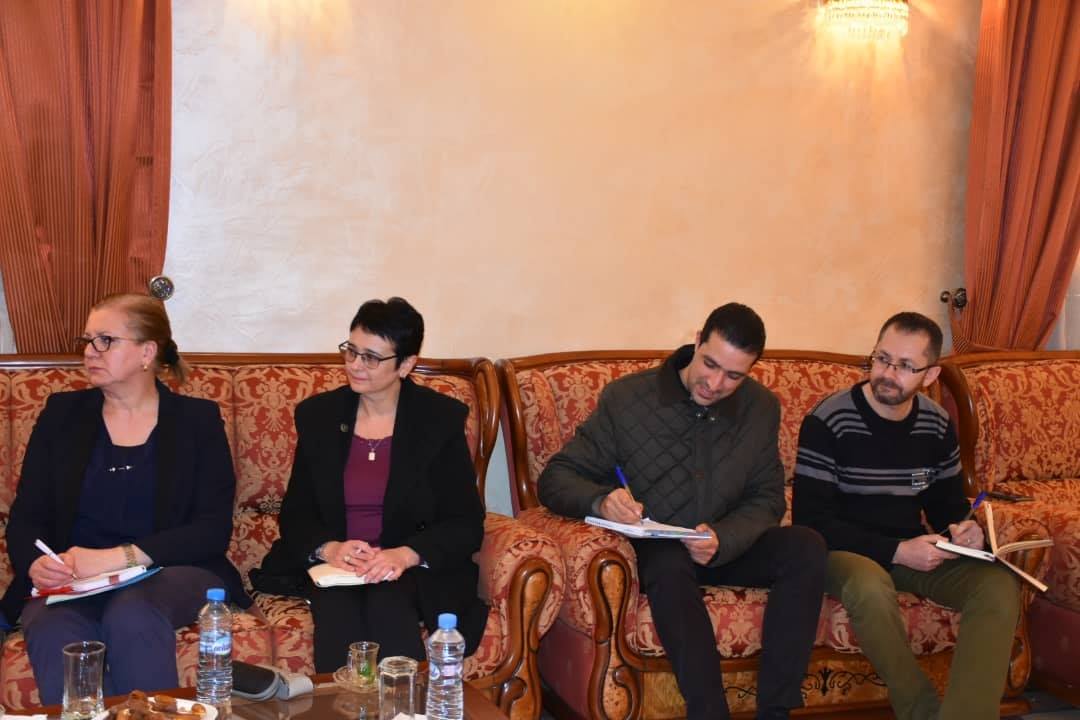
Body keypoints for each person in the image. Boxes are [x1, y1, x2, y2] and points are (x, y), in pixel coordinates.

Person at [538, 303, 826, 720]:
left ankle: (775, 710)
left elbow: (768, 497)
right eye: (710, 364)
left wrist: (725, 537)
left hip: (725, 546)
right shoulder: (628, 399)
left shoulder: (761, 407)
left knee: (806, 547)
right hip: (660, 552)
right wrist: (602, 501)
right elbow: (556, 478)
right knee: (668, 561)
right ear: (697, 341)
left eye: (734, 376)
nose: (715, 383)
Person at [1, 293, 248, 703]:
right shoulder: (62, 415)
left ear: (147, 352)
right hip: (74, 581)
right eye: (87, 340)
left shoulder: (196, 421)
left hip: (171, 571)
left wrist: (118, 558)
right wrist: (36, 564)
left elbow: (211, 530)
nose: (89, 351)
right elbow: (27, 515)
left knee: (132, 612)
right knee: (53, 625)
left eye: (105, 340)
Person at [792, 312, 1021, 720]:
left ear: (930, 375)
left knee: (997, 586)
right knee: (869, 584)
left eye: (904, 366)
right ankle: (921, 712)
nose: (887, 373)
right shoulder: (828, 420)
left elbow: (946, 504)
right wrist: (897, 551)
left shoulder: (936, 424)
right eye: (881, 358)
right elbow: (811, 521)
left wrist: (967, 529)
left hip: (912, 550)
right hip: (842, 552)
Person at [252, 297, 487, 672]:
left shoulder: (438, 420)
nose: (355, 365)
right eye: (351, 351)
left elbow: (465, 522)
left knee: (387, 604)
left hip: (406, 568)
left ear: (405, 364)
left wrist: (405, 555)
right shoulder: (319, 416)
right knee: (337, 610)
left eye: (372, 358)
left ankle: (405, 702)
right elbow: (296, 514)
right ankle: (340, 703)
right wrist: (330, 548)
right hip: (338, 567)